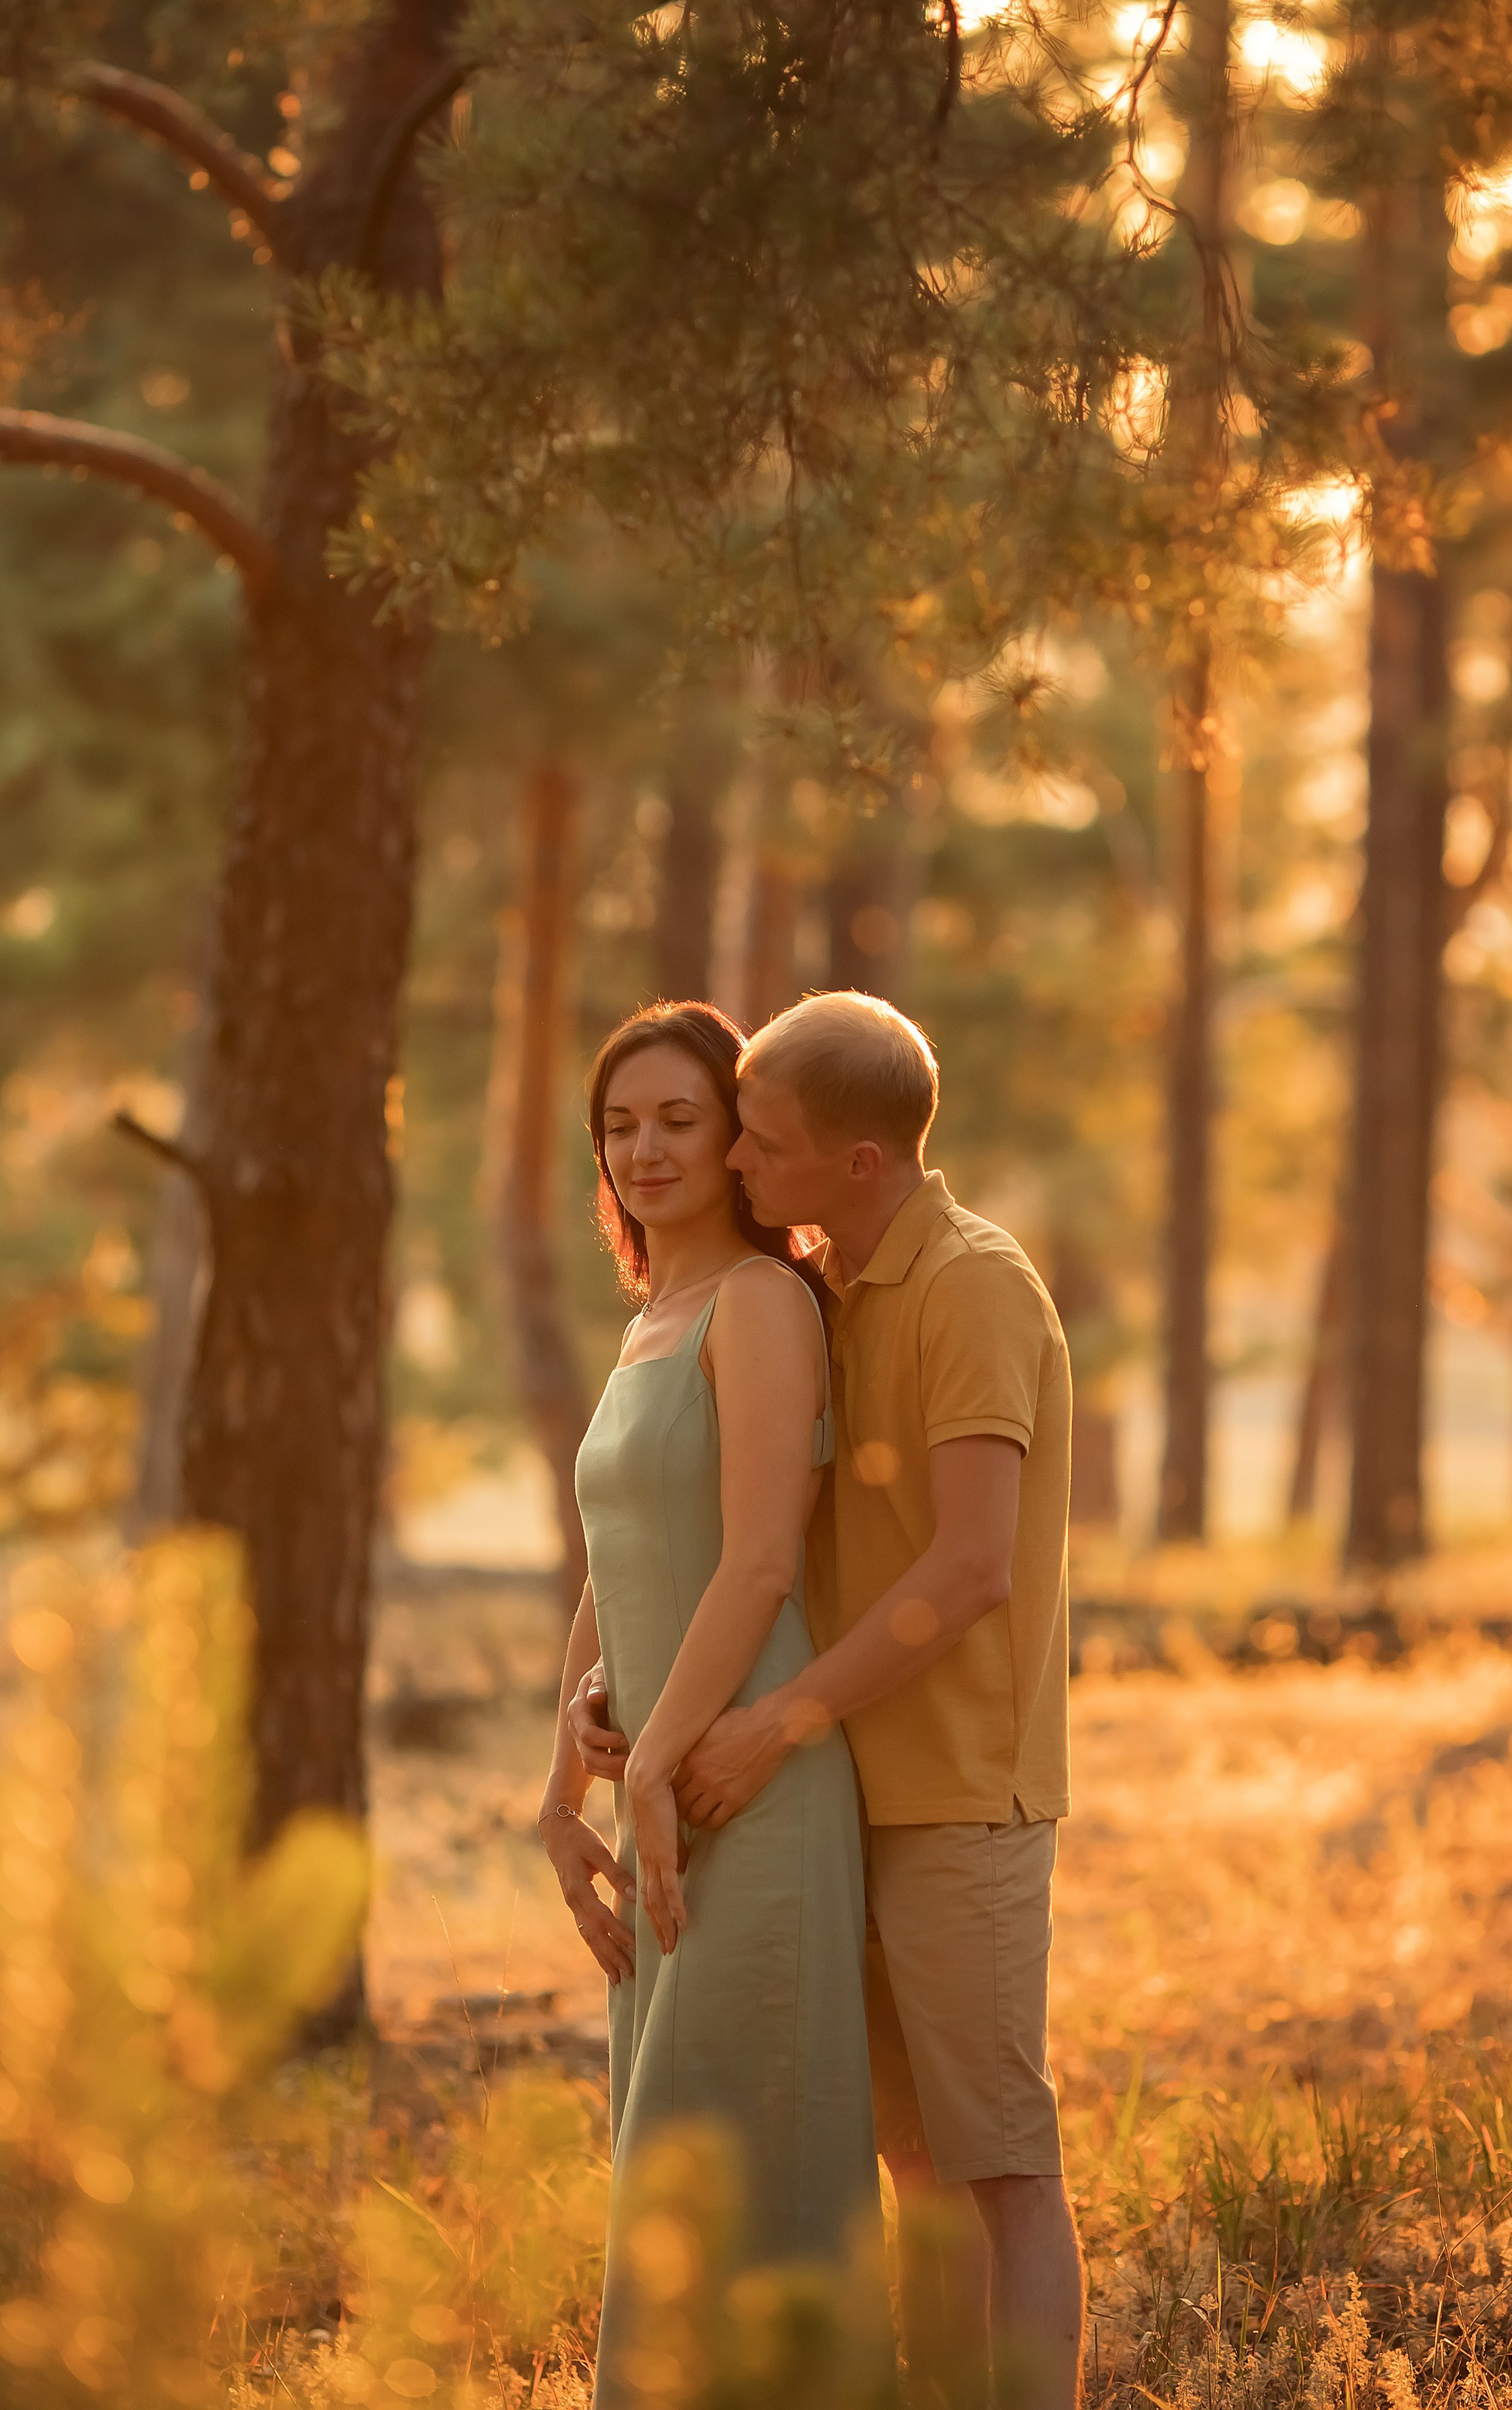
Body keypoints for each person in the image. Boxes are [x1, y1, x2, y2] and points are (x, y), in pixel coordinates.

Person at [572, 990, 1084, 2410]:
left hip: (957, 1790)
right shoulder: (835, 1292)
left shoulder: (971, 1285)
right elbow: (740, 1532)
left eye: (755, 1139)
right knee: (911, 2163)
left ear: (854, 1161)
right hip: (847, 1780)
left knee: (999, 2164)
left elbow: (971, 1567)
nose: (731, 1160)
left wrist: (771, 1725)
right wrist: (616, 1698)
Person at [534, 999, 880, 2399]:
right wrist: (561, 1788)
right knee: (675, 2163)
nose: (647, 1149)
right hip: (665, 1790)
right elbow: (615, 1569)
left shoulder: (760, 1302)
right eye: (619, 1126)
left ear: (739, 1136)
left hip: (751, 1783)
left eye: (680, 1119)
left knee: (749, 2153)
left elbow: (757, 1564)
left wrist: (656, 1767)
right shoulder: (649, 1324)